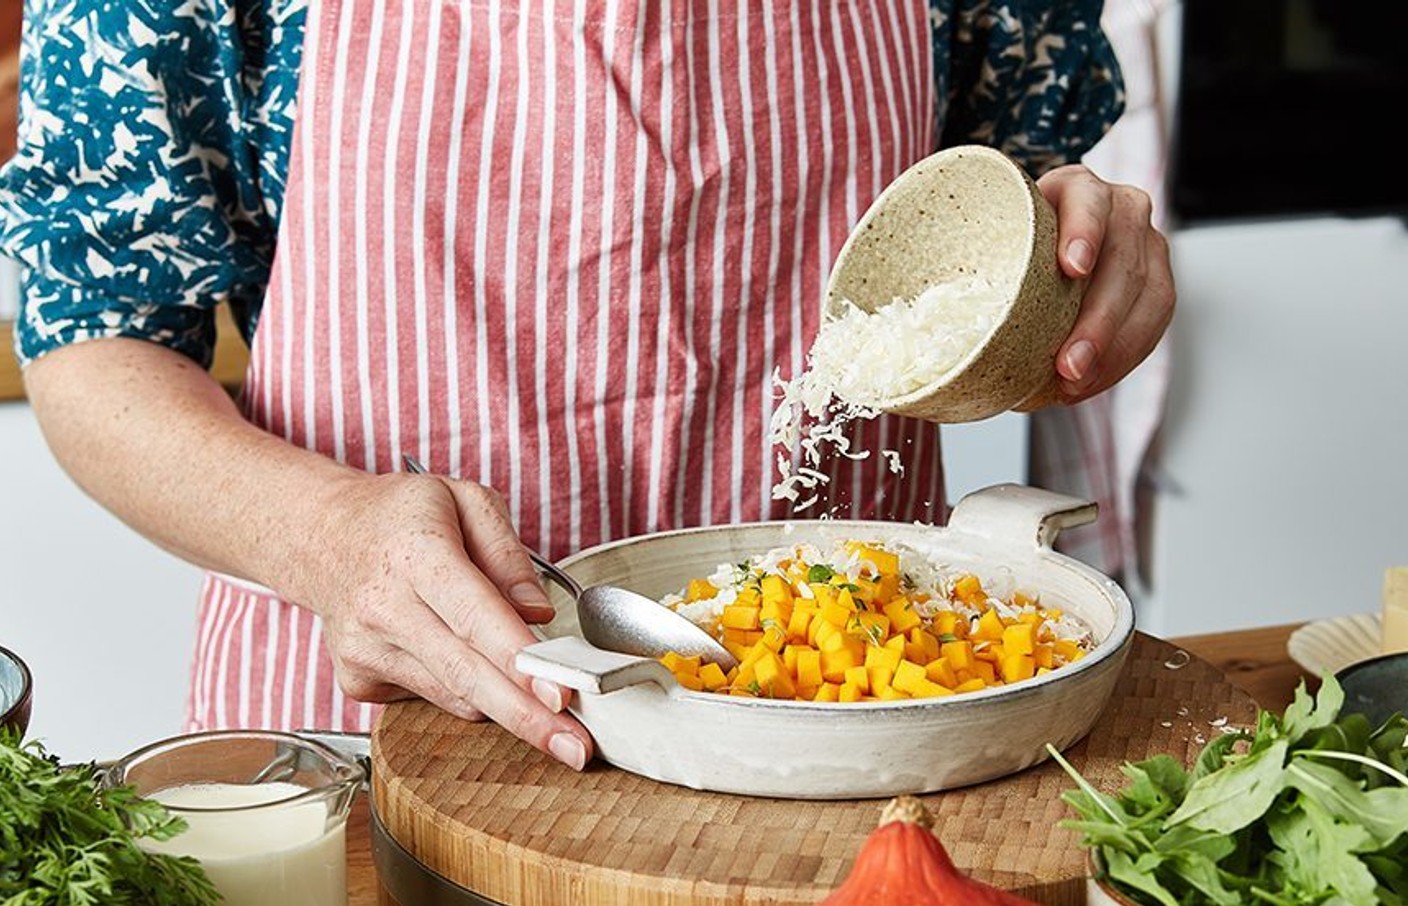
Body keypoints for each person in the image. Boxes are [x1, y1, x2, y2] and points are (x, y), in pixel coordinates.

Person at [0, 0, 1173, 771]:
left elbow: (1005, 179)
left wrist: (1060, 276)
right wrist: (324, 538)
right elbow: (93, 336)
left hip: (861, 737)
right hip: (387, 744)